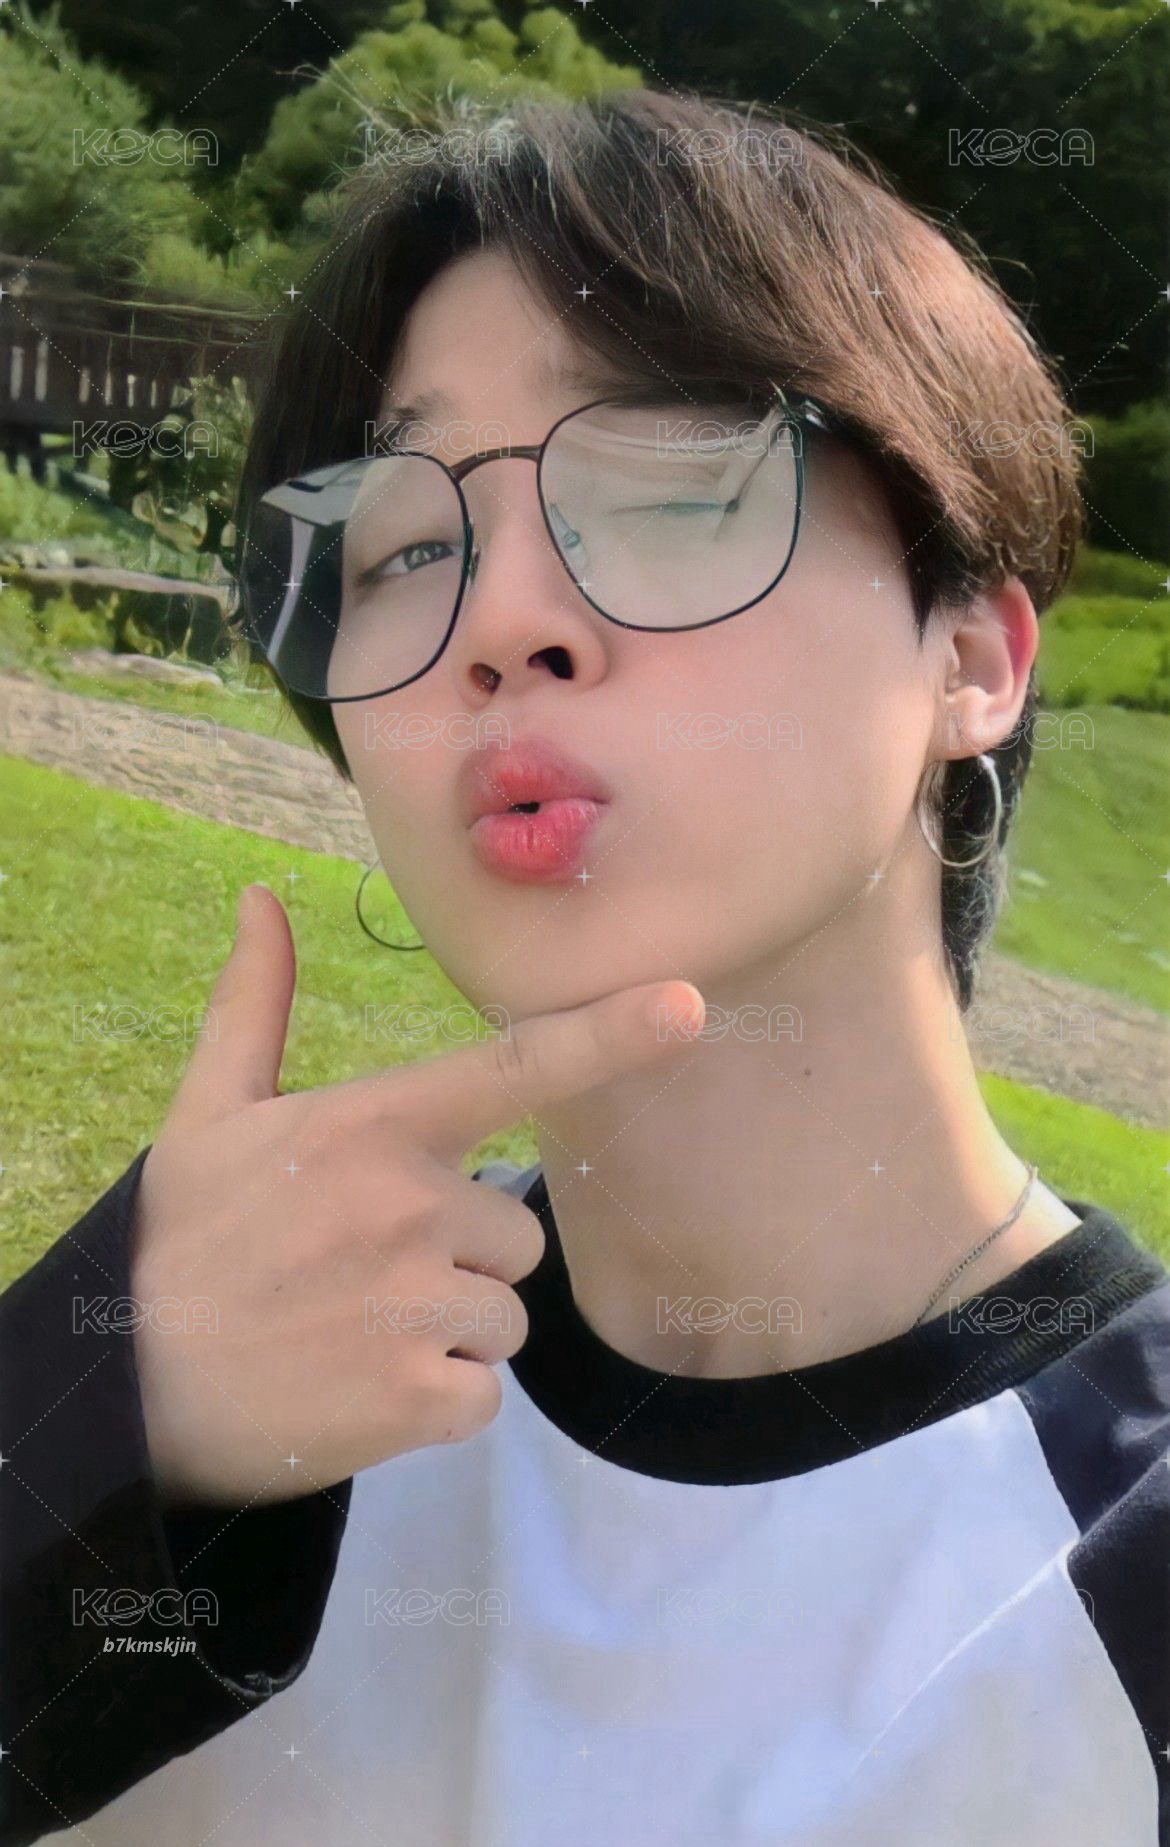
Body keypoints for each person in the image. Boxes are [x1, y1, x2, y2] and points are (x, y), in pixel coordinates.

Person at [2, 88, 1167, 1847]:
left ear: (971, 660)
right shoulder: (219, 1381)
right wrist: (80, 1440)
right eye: (404, 547)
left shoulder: (1124, 1561)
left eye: (673, 486)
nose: (497, 620)